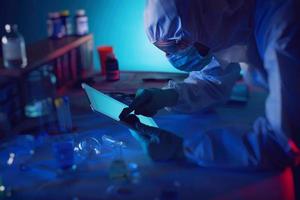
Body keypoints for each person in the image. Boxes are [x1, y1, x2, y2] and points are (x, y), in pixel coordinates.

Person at [120, 0, 300, 170]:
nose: (174, 57)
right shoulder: (226, 22)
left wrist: (184, 149)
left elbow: (282, 142)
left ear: (210, 12)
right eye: (167, 52)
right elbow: (212, 82)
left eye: (179, 44)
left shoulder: (284, 33)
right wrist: (169, 96)